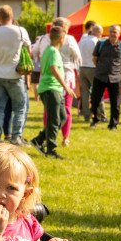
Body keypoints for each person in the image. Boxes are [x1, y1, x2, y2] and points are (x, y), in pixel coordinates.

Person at [32, 27, 76, 159]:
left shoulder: (48, 50)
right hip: (51, 89)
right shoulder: (53, 52)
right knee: (53, 120)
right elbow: (54, 69)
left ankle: (39, 140)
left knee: (62, 117)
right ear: (62, 39)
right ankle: (51, 150)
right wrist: (66, 87)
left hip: (54, 89)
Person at [0, 4, 31, 144]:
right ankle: (16, 137)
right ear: (12, 16)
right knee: (20, 106)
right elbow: (28, 51)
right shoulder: (20, 31)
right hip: (14, 74)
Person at [89, 24, 121, 130]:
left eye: (115, 32)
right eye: (111, 32)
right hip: (100, 76)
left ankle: (113, 124)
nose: (112, 34)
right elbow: (95, 58)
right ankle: (95, 119)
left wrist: (118, 70)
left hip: (115, 78)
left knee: (116, 103)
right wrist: (100, 68)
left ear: (119, 34)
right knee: (95, 100)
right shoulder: (101, 44)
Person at [77, 22, 103, 122]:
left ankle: (86, 115)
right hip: (92, 68)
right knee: (97, 93)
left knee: (84, 94)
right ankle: (100, 115)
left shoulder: (82, 40)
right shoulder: (96, 42)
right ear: (98, 32)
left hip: (82, 68)